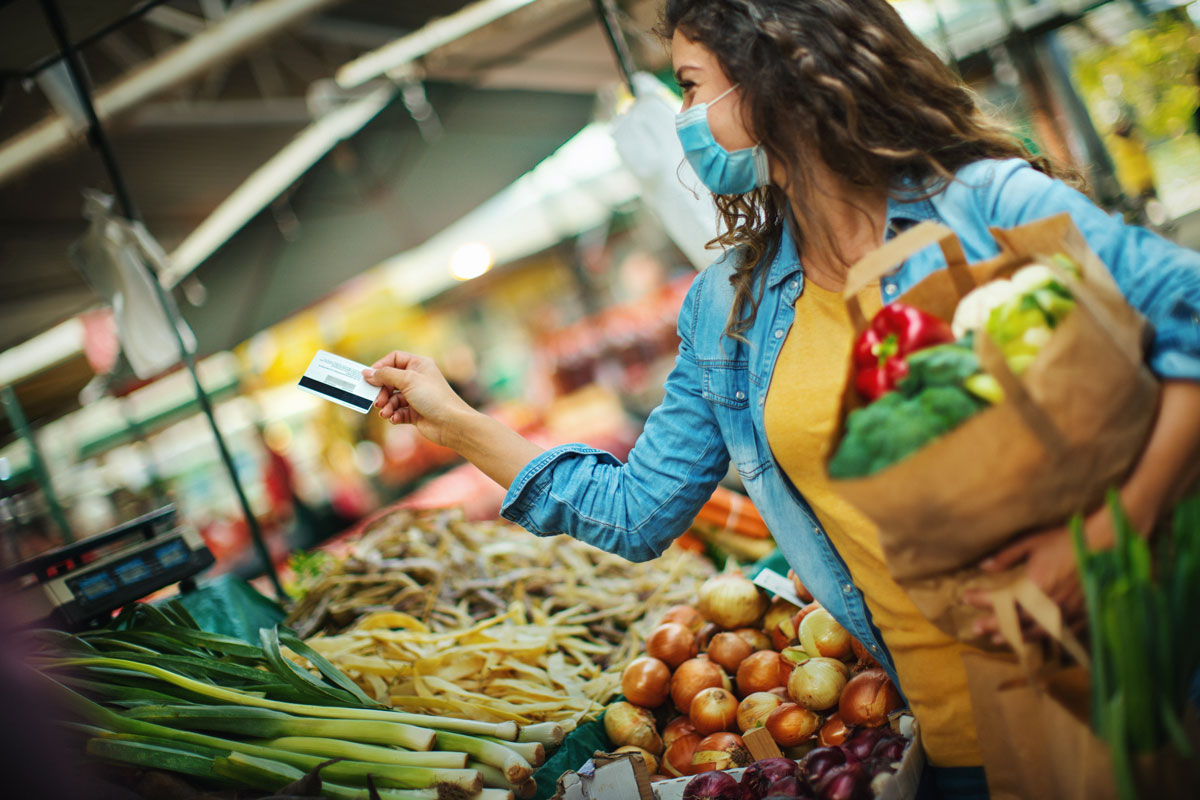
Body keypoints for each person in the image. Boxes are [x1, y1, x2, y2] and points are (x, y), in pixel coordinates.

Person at [361, 1, 1200, 796]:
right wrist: (460, 426)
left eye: (689, 84)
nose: (682, 115)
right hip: (947, 750)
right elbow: (637, 509)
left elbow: (1191, 329)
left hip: (1143, 669)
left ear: (771, 75)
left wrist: (1101, 532)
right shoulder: (730, 309)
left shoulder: (981, 203)